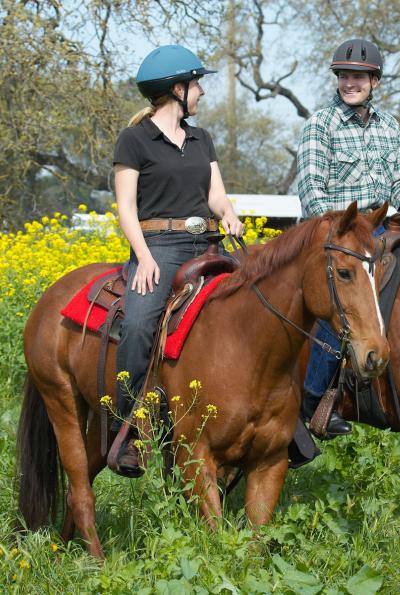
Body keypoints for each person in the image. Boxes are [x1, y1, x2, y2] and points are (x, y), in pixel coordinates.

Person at [111, 45, 244, 476]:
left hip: (207, 244)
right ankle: (129, 430)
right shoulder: (134, 140)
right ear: (176, 89)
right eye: (196, 84)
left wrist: (229, 214)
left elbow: (215, 194)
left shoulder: (201, 138)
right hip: (160, 247)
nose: (202, 91)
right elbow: (126, 208)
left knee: (262, 303)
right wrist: (144, 257)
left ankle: (288, 425)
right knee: (137, 324)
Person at [296, 38, 400, 437]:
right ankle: (314, 399)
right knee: (345, 294)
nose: (350, 84)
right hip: (336, 233)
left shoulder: (389, 126)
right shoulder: (321, 124)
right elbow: (311, 187)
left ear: (374, 82)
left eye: (358, 78)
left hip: (380, 229)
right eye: (344, 77)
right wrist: (335, 231)